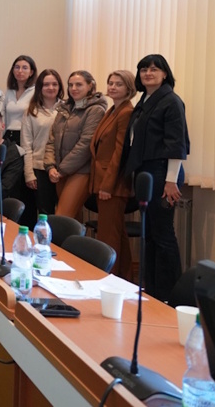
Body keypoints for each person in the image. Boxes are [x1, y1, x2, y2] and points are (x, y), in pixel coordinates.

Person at [122, 54, 190, 301]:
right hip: (146, 171)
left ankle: (170, 295)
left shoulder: (171, 101)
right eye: (143, 69)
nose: (148, 73)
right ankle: (152, 290)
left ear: (164, 73)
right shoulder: (145, 99)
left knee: (163, 234)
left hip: (163, 173)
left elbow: (176, 143)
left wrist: (171, 181)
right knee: (149, 233)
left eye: (154, 69)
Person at [90, 70, 136, 279]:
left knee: (108, 236)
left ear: (129, 88)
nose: (113, 87)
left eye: (119, 84)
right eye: (110, 83)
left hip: (113, 184)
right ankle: (124, 277)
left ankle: (108, 278)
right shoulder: (112, 110)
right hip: (102, 178)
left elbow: (120, 152)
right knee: (118, 234)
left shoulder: (126, 112)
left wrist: (107, 185)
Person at [44, 70, 106, 219]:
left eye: (79, 84)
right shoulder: (64, 109)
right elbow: (51, 140)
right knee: (72, 220)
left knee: (61, 218)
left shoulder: (95, 110)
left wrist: (62, 169)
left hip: (81, 171)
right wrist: (50, 166)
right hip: (60, 171)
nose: (73, 88)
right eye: (70, 85)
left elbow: (85, 144)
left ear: (90, 86)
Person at [21, 69, 64, 216]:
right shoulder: (31, 111)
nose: (51, 88)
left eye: (54, 84)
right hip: (39, 168)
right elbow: (26, 145)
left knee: (65, 213)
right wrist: (29, 173)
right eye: (46, 84)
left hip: (63, 168)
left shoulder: (67, 109)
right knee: (45, 213)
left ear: (60, 86)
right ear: (40, 87)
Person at [4, 55, 38, 145]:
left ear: (31, 72)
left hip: (26, 136)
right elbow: (4, 117)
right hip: (8, 135)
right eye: (17, 67)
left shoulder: (36, 92)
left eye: (24, 68)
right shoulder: (9, 91)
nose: (20, 71)